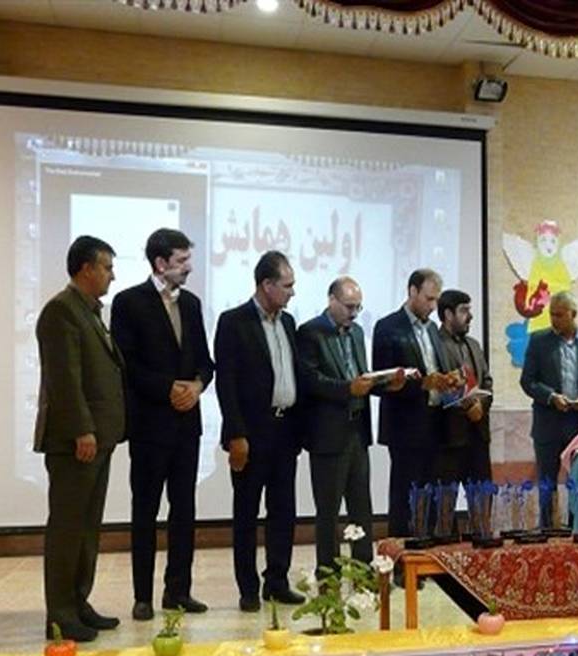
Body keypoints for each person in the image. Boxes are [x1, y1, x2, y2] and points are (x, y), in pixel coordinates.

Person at [110, 228, 214, 622]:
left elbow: (205, 361)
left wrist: (197, 386)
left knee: (184, 511)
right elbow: (126, 364)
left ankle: (178, 591)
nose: (188, 268)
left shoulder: (192, 304)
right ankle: (143, 596)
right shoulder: (128, 302)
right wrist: (168, 388)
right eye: (182, 260)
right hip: (150, 426)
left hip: (187, 425)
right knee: (145, 511)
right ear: (160, 263)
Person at [33, 235, 125, 643]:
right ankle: (60, 615)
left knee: (87, 528)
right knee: (68, 528)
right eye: (107, 267)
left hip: (98, 438)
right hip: (75, 442)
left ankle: (78, 602)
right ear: (86, 269)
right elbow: (64, 379)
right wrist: (81, 430)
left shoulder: (89, 311)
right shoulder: (61, 311)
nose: (111, 276)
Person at [214, 251, 306, 611]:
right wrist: (236, 434)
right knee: (247, 514)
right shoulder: (233, 322)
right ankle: (248, 588)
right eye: (287, 285)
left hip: (286, 430)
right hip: (251, 434)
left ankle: (277, 581)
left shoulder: (288, 323)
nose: (292, 292)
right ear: (266, 285)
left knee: (283, 511)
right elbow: (226, 383)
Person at [297, 276, 404, 576]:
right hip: (327, 434)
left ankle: (362, 568)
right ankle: (327, 572)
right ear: (331, 300)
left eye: (358, 307)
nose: (354, 313)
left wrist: (386, 384)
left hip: (358, 429)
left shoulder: (356, 332)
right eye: (348, 306)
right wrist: (347, 389)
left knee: (361, 506)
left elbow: (361, 376)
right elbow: (310, 380)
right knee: (329, 510)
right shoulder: (310, 332)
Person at [372, 268, 460, 536]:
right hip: (405, 427)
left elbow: (435, 369)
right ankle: (401, 554)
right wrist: (422, 384)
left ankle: (427, 550)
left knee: (432, 496)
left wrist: (447, 379)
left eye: (436, 300)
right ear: (412, 291)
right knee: (405, 496)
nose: (433, 307)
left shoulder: (432, 328)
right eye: (429, 299)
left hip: (435, 422)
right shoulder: (388, 327)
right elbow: (381, 382)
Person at [520, 291, 578, 526]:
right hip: (548, 423)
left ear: (573, 314)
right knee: (547, 483)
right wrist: (551, 397)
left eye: (559, 315)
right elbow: (527, 381)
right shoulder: (539, 341)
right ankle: (547, 530)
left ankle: (574, 529)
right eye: (552, 314)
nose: (554, 320)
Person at [435, 288, 493, 489]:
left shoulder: (474, 345)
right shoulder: (434, 344)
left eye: (470, 310)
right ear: (448, 314)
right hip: (448, 438)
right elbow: (436, 387)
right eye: (464, 311)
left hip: (478, 435)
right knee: (445, 502)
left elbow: (487, 382)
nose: (470, 316)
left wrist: (480, 406)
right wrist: (467, 406)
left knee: (482, 499)